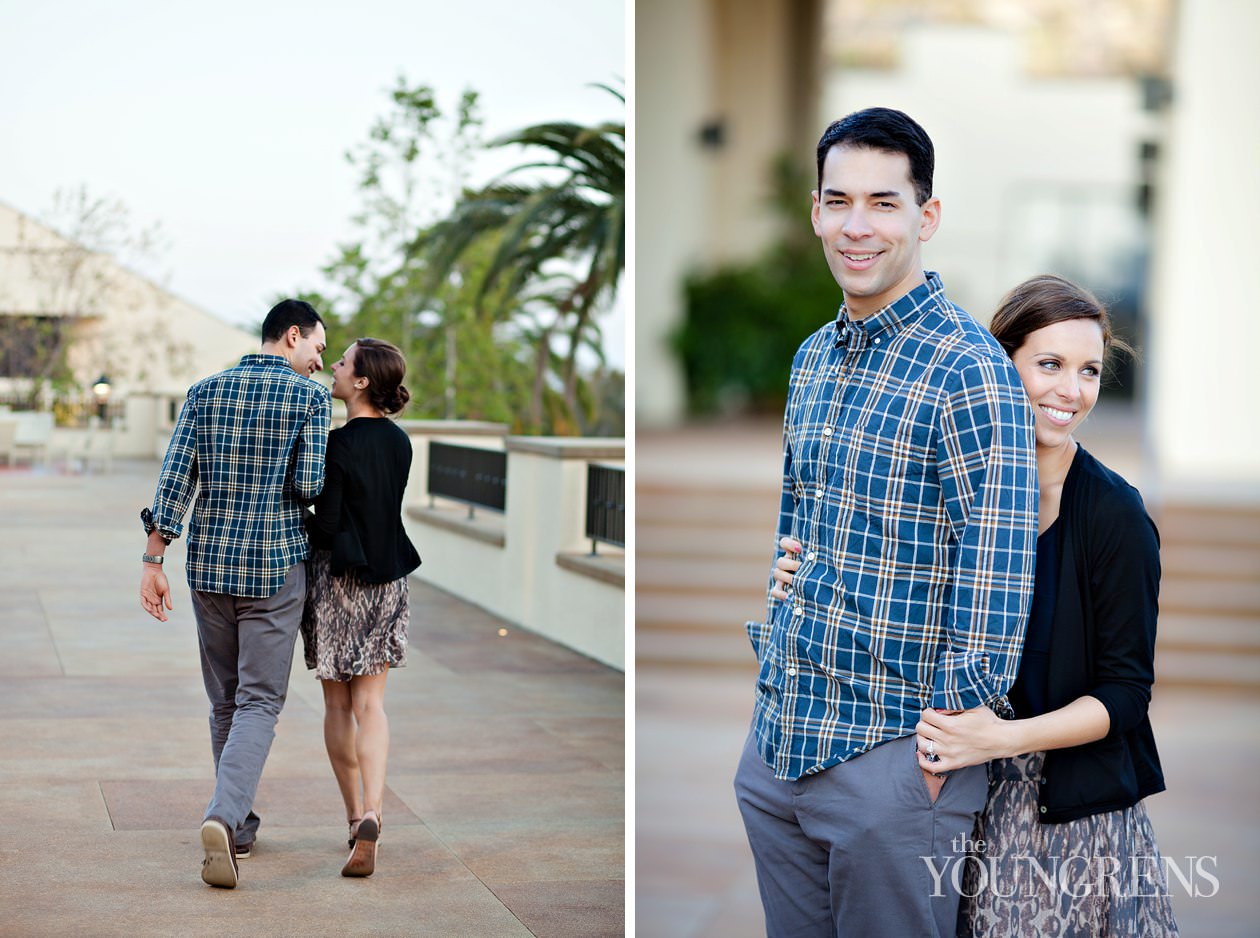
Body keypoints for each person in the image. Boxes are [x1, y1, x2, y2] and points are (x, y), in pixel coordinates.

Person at [732, 106, 1039, 938]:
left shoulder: (968, 371)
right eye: (838, 202)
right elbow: (797, 517)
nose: (855, 227)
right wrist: (781, 595)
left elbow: (997, 571)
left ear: (926, 217)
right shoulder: (811, 357)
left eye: (883, 202)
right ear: (815, 211)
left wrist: (932, 762)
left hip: (891, 761)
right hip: (781, 746)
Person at [911, 275, 1180, 935]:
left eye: (1088, 371)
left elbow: (1125, 694)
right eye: (1049, 365)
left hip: (1069, 825)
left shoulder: (1115, 515)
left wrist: (1000, 740)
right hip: (955, 810)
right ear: (1002, 365)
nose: (1071, 391)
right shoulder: (954, 490)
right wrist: (798, 568)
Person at [139, 298, 331, 889]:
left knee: (225, 702)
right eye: (318, 349)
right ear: (292, 335)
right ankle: (222, 816)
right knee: (259, 703)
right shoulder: (310, 400)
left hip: (209, 569)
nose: (320, 363)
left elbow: (176, 478)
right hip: (273, 569)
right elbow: (309, 484)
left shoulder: (203, 392)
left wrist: (153, 559)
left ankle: (239, 827)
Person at [300, 337, 420, 878]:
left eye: (343, 363)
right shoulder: (400, 444)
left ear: (363, 381)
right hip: (387, 582)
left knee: (337, 708)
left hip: (338, 584)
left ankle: (352, 818)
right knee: (372, 706)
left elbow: (327, 526)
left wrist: (296, 515)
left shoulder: (337, 444)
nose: (335, 370)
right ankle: (374, 810)